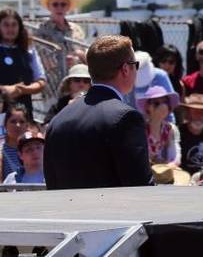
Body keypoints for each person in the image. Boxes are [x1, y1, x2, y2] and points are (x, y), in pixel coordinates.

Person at [43, 35, 153, 189]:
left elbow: (52, 184)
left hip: (65, 205)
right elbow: (140, 186)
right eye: (135, 64)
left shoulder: (58, 120)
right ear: (125, 69)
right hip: (112, 205)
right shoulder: (126, 118)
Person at [0, 8, 47, 120]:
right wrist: (4, 90)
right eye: (6, 25)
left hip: (24, 114)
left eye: (14, 25)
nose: (10, 29)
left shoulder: (28, 51)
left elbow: (41, 81)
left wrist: (23, 89)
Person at [176, 94, 203, 176]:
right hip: (182, 178)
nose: (199, 115)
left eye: (202, 112)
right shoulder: (177, 132)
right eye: (195, 111)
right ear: (188, 113)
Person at [1, 104, 30, 179]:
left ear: (27, 126)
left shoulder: (34, 148)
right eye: (13, 121)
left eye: (22, 122)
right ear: (5, 125)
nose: (18, 125)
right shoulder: (1, 151)